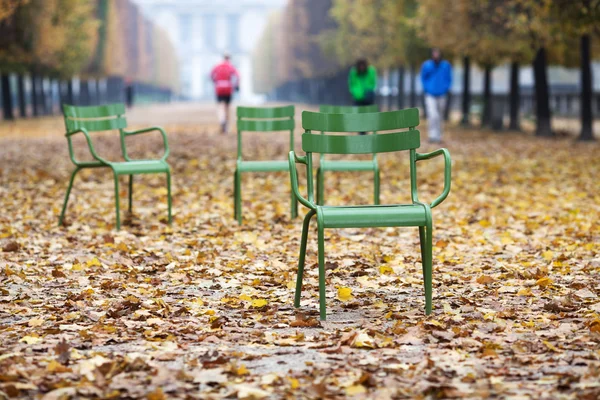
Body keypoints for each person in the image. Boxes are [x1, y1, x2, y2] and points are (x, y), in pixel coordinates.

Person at [420, 48, 452, 143]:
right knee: (432, 114)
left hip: (442, 94)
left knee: (440, 116)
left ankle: (438, 135)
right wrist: (426, 88)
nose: (436, 55)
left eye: (437, 53)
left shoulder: (446, 65)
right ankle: (432, 135)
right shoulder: (427, 65)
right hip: (430, 94)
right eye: (434, 53)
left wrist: (446, 88)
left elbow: (449, 78)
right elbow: (423, 78)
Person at [211, 54, 239, 134]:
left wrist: (215, 82)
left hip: (219, 88)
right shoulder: (231, 67)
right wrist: (236, 86)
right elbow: (237, 76)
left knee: (220, 106)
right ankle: (226, 126)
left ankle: (222, 120)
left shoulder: (217, 66)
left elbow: (211, 75)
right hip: (228, 88)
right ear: (229, 58)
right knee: (227, 107)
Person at [348, 58, 377, 134]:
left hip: (368, 97)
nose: (361, 67)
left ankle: (365, 130)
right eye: (360, 66)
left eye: (363, 66)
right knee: (359, 116)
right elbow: (352, 84)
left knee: (367, 116)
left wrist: (367, 92)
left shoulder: (371, 71)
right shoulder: (354, 72)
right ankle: (361, 132)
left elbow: (372, 83)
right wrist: (356, 93)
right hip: (358, 98)